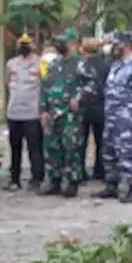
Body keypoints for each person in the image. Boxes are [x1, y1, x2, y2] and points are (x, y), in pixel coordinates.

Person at [97, 31, 132, 204]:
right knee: (109, 151)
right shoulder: (115, 64)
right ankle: (112, 184)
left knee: (128, 152)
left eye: (117, 44)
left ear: (127, 45)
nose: (113, 47)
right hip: (112, 114)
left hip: (127, 115)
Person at [39, 28, 89, 197]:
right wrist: (43, 110)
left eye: (63, 41)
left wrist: (79, 98)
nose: (59, 45)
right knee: (51, 146)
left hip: (70, 114)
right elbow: (44, 87)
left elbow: (93, 85)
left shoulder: (81, 64)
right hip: (53, 113)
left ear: (73, 43)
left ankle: (71, 181)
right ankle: (53, 179)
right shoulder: (54, 64)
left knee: (71, 148)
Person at [5, 33, 44, 192]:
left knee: (34, 148)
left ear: (33, 46)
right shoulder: (11, 64)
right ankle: (14, 179)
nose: (24, 46)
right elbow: (7, 83)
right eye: (21, 43)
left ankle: (37, 178)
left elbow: (44, 84)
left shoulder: (39, 63)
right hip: (14, 111)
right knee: (15, 148)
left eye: (27, 43)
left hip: (32, 112)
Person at [78, 37, 109, 182]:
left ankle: (80, 172)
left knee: (80, 141)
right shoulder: (105, 64)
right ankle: (100, 171)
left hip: (82, 107)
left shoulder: (80, 65)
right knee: (101, 141)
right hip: (101, 106)